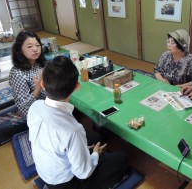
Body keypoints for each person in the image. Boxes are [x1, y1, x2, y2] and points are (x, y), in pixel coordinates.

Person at [27, 56, 129, 189]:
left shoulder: (35, 106)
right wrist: (95, 155)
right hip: (65, 184)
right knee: (122, 158)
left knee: (94, 137)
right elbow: (83, 173)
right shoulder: (72, 129)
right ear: (77, 87)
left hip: (46, 172)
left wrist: (85, 150)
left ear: (42, 85)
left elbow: (51, 142)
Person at [9, 31, 46, 118]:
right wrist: (38, 88)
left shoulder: (38, 64)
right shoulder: (17, 73)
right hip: (32, 112)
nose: (35, 49)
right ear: (19, 50)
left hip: (46, 101)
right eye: (29, 46)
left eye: (37, 45)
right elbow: (24, 104)